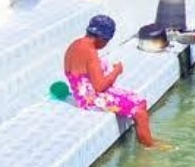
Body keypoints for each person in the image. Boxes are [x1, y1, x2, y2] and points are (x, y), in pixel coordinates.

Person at [64, 14, 155, 147]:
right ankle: (149, 148)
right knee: (140, 112)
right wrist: (116, 71)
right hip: (90, 100)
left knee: (140, 102)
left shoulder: (75, 44)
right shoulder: (90, 52)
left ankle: (144, 139)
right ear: (103, 38)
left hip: (82, 93)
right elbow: (99, 87)